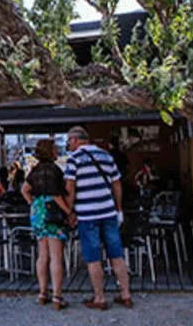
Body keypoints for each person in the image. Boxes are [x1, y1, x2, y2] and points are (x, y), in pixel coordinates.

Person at [64, 126, 133, 310]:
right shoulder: (105, 156)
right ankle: (126, 295)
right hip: (108, 212)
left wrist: (69, 211)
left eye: (69, 141)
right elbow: (116, 185)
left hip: (87, 215)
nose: (68, 145)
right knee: (116, 255)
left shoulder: (74, 159)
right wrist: (118, 207)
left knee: (93, 258)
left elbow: (70, 188)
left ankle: (100, 298)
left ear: (76, 140)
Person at [21, 139, 72, 310]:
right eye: (55, 148)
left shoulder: (34, 171)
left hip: (38, 211)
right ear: (50, 151)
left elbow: (24, 190)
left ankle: (43, 293)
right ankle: (57, 296)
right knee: (56, 256)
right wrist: (69, 212)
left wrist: (34, 204)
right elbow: (56, 194)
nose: (57, 150)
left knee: (42, 255)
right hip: (53, 212)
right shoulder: (54, 170)